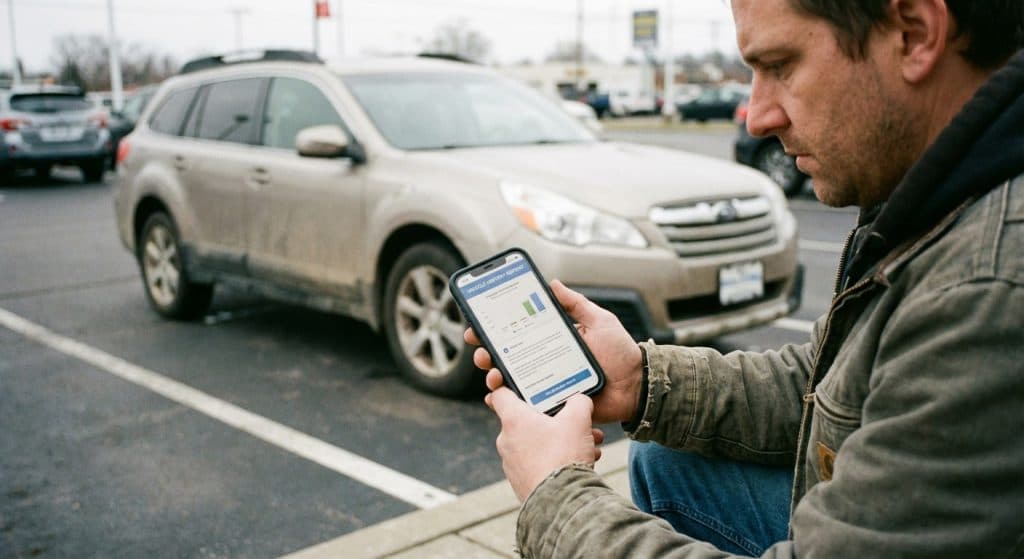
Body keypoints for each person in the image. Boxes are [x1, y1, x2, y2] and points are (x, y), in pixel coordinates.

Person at [465, 0, 1024, 556]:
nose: (757, 116)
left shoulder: (984, 289)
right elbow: (829, 378)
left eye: (780, 65)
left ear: (914, 33)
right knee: (666, 458)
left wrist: (555, 496)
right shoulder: (943, 190)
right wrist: (642, 380)